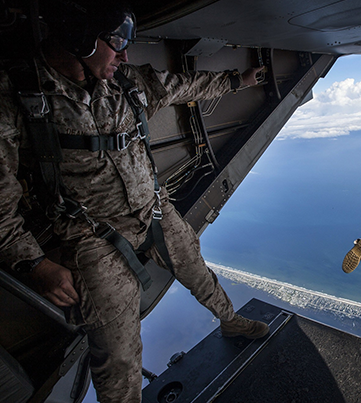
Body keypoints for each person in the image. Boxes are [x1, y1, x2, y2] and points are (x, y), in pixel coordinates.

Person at [0, 2, 268, 402]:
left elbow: (184, 85)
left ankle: (230, 321)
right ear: (78, 40)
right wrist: (35, 263)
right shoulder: (18, 98)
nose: (125, 55)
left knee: (197, 271)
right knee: (118, 352)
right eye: (116, 43)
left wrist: (238, 81)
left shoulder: (127, 83)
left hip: (153, 209)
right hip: (90, 235)